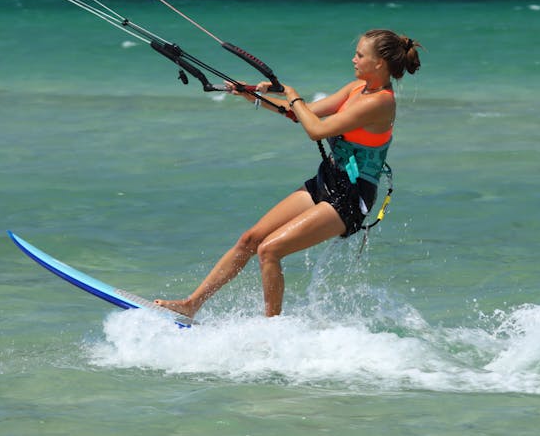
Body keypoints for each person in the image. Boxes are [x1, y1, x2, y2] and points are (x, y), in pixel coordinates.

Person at [155, 29, 422, 318]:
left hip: (352, 196)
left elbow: (315, 129)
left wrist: (292, 94)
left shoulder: (380, 102)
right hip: (329, 179)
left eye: (360, 54)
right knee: (251, 239)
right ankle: (191, 304)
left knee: (270, 250)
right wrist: (251, 94)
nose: (353, 59)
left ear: (380, 63)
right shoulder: (356, 89)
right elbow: (298, 113)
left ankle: (272, 331)